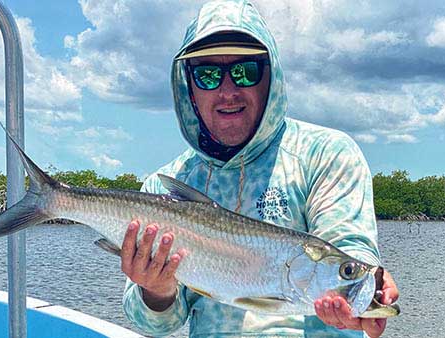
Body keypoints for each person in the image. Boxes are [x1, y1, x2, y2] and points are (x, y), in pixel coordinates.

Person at [118, 0, 399, 337]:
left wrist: (365, 282)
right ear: (188, 88)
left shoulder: (325, 153)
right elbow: (151, 323)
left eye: (245, 71)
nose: (227, 91)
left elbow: (347, 243)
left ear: (271, 77)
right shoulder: (165, 189)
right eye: (207, 75)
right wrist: (155, 291)